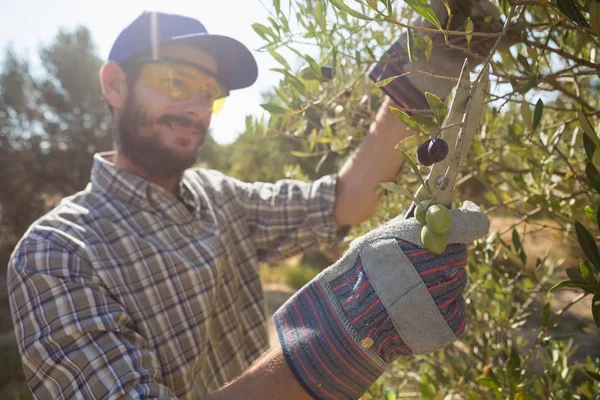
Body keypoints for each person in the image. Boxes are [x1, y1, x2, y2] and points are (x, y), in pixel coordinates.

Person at [7, 1, 512, 398]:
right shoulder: (56, 254)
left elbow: (344, 201)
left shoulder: (217, 195)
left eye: (209, 93)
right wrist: (344, 331)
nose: (195, 108)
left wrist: (418, 78)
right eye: (175, 81)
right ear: (115, 84)